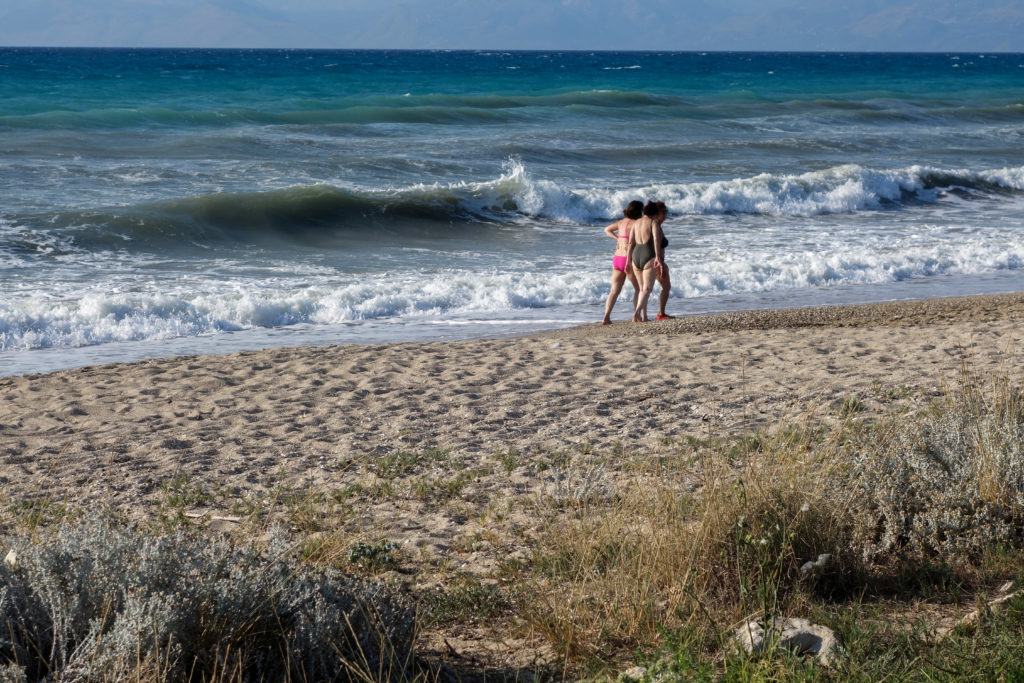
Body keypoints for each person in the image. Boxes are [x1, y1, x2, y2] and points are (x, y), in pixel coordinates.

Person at [601, 200, 643, 325]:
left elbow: (607, 229)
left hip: (617, 258)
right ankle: (636, 315)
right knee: (639, 289)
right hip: (628, 259)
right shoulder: (637, 223)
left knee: (614, 290)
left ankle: (606, 317)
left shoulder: (621, 222)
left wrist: (618, 239)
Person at [630, 201, 665, 323]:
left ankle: (643, 317)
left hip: (636, 255)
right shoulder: (653, 222)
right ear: (654, 212)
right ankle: (637, 312)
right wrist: (657, 257)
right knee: (647, 289)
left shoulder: (636, 222)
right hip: (648, 254)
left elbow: (631, 242)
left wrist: (628, 260)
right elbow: (656, 239)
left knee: (641, 289)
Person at [643, 200, 672, 320]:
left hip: (652, 260)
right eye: (663, 212)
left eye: (666, 212)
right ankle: (660, 313)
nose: (665, 215)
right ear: (657, 213)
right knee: (665, 287)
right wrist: (661, 264)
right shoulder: (656, 226)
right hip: (657, 260)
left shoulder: (654, 225)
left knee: (646, 288)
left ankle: (643, 313)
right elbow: (657, 245)